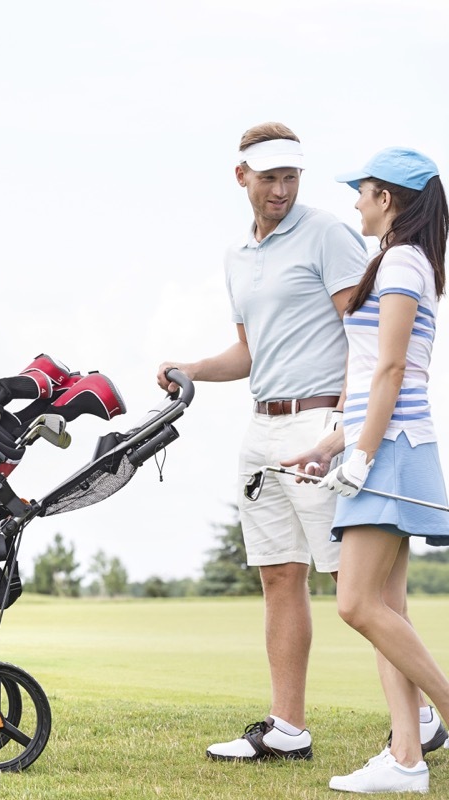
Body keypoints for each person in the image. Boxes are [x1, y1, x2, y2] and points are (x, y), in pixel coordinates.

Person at [157, 121, 374, 762]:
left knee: (357, 585)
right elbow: (250, 353)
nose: (282, 189)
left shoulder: (329, 235)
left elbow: (365, 337)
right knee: (280, 576)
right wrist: (194, 369)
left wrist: (346, 429)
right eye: (270, 177)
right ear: (241, 176)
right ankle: (287, 728)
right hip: (263, 428)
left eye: (291, 176)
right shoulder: (237, 257)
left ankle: (420, 717)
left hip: (322, 425)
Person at [282, 147, 449, 793]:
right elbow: (374, 380)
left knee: (355, 604)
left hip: (393, 450)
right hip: (386, 444)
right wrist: (333, 443)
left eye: (365, 192)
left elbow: (390, 372)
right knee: (388, 610)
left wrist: (362, 457)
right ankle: (407, 759)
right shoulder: (406, 260)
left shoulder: (404, 261)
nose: (356, 202)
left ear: (392, 199)